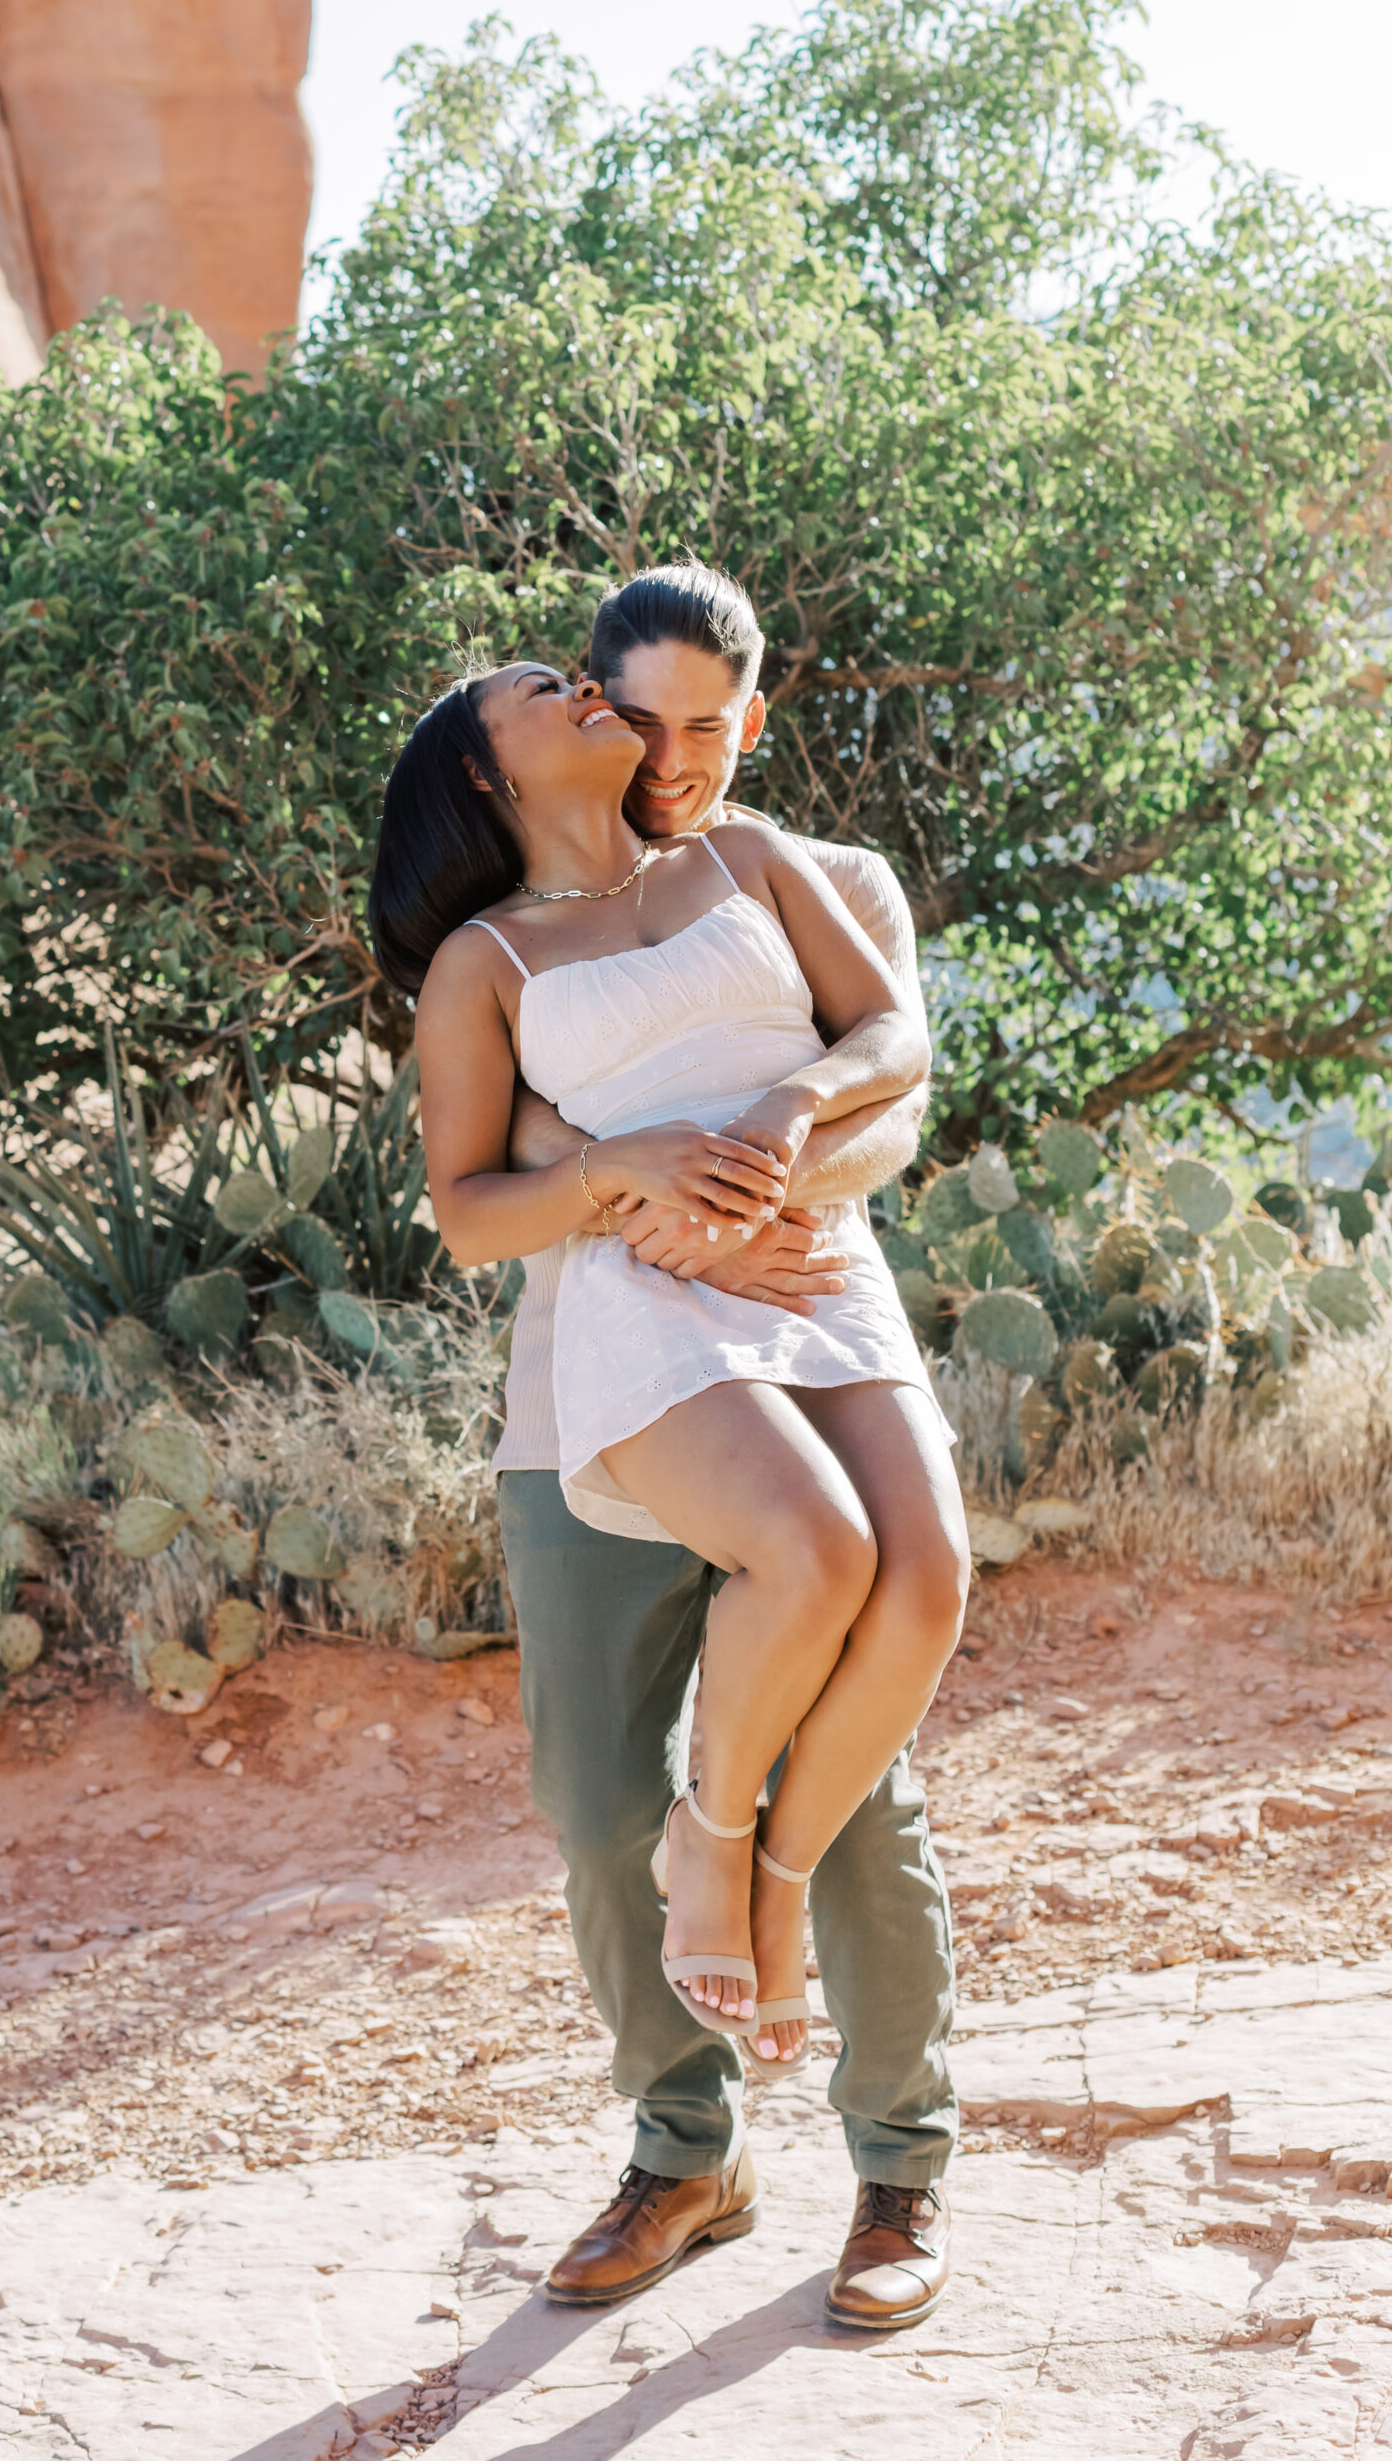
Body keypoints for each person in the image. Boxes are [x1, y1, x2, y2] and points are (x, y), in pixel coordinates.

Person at [370, 567, 969, 2332]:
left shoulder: (806, 872)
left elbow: (892, 1088)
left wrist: (765, 1174)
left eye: (711, 720)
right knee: (594, 1803)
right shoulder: (492, 957)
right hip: (595, 1386)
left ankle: (897, 2170)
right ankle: (686, 2150)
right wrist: (637, 1193)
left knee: (851, 1762)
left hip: (806, 1301)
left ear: (753, 724)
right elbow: (501, 1179)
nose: (668, 745)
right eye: (632, 710)